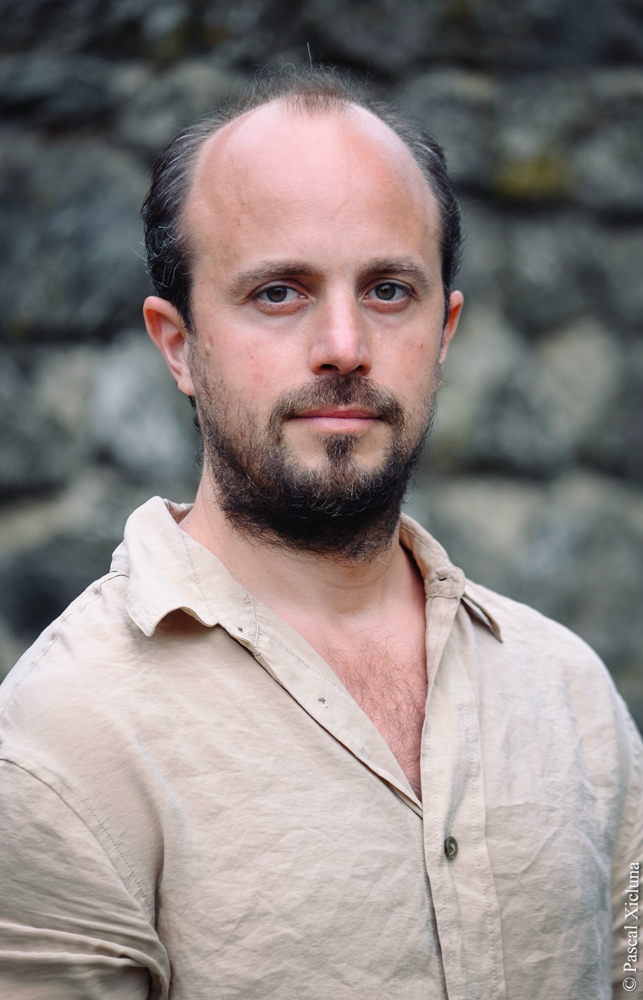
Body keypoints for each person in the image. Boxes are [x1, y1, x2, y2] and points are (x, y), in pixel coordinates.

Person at [0, 66, 641, 1000]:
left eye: (388, 290)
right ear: (178, 345)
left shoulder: (570, 695)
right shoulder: (64, 739)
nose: (344, 344)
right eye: (278, 292)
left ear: (444, 331)